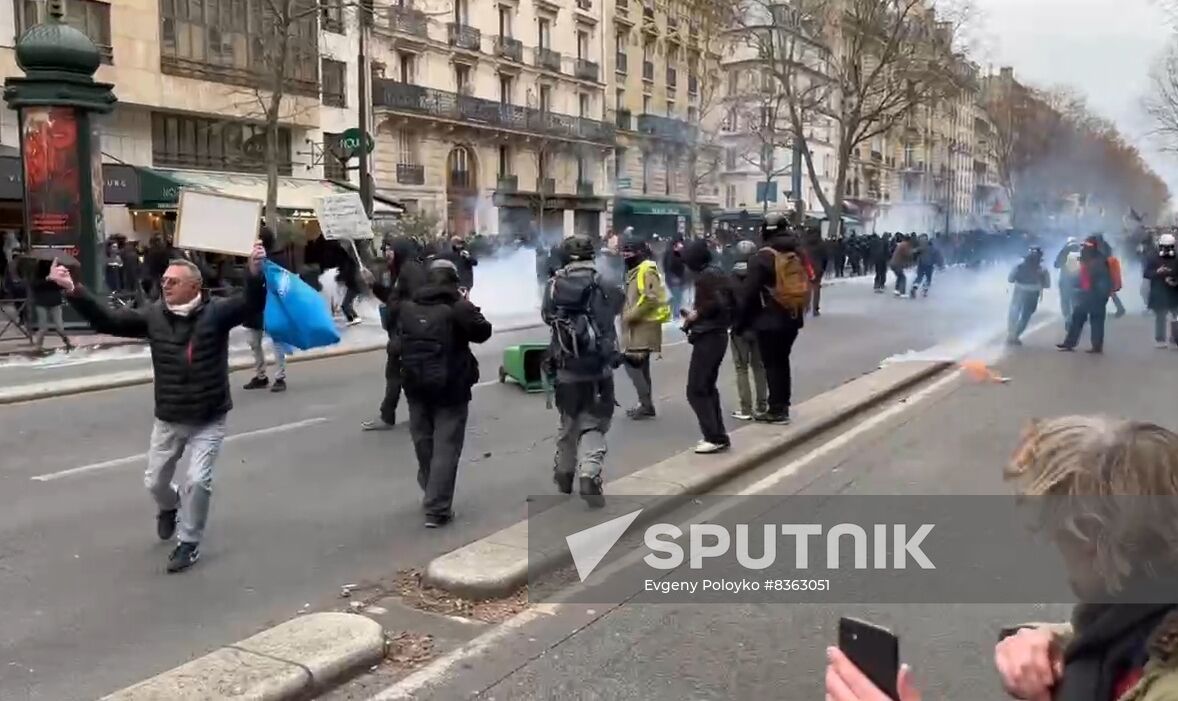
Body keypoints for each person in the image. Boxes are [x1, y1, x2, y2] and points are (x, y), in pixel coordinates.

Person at [827, 415, 1178, 701]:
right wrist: (1047, 641)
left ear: (1095, 543)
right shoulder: (1138, 616)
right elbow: (1106, 636)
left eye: (1061, 538)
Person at [48, 243, 267, 573]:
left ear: (194, 287)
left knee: (197, 481)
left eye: (173, 281)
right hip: (169, 417)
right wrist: (72, 289)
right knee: (155, 483)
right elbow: (109, 320)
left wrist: (253, 271)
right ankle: (169, 506)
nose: (165, 285)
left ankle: (189, 543)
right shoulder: (153, 316)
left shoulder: (217, 312)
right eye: (164, 280)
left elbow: (251, 304)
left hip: (209, 416)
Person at [394, 259, 492, 527]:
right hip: (451, 386)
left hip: (415, 385)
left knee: (424, 441)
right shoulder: (458, 307)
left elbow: (395, 338)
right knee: (446, 447)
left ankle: (431, 488)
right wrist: (468, 304)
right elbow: (483, 332)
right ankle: (437, 508)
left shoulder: (408, 307)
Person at [542, 235, 623, 507]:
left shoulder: (553, 285)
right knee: (595, 423)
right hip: (598, 368)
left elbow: (546, 316)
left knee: (568, 420)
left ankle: (564, 472)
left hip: (565, 366)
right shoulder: (605, 284)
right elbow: (617, 309)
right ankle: (589, 473)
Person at [735, 214, 806, 425]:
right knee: (782, 362)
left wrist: (740, 323)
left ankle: (776, 410)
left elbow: (749, 293)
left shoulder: (763, 256)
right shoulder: (797, 251)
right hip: (792, 315)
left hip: (769, 319)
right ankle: (782, 405)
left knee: (772, 364)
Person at [363, 236, 427, 432]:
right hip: (401, 332)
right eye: (385, 249)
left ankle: (387, 415)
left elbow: (417, 301)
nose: (387, 253)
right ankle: (420, 413)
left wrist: (397, 309)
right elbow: (393, 296)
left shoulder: (411, 270)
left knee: (395, 375)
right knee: (407, 376)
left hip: (405, 333)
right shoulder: (401, 270)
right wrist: (373, 285)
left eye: (390, 249)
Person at [680, 239, 734, 454]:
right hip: (717, 334)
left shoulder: (705, 277)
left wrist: (697, 314)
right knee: (708, 387)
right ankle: (718, 434)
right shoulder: (717, 272)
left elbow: (716, 303)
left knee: (697, 389)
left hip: (709, 336)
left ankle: (714, 436)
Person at [620, 235, 670, 420]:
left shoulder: (646, 270)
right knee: (641, 367)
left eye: (629, 251)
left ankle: (646, 404)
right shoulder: (635, 270)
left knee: (632, 364)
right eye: (624, 251)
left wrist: (631, 315)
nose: (626, 255)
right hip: (637, 327)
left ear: (640, 252)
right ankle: (646, 404)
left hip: (642, 327)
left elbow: (652, 297)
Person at [243, 228, 287, 393]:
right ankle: (261, 375)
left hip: (271, 305)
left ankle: (280, 377)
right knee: (254, 343)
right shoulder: (250, 257)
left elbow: (281, 281)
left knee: (276, 343)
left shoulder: (277, 258)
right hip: (253, 306)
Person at [728, 240, 767, 421]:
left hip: (739, 329)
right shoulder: (761, 276)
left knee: (741, 368)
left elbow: (727, 305)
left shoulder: (731, 278)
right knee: (759, 367)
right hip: (759, 327)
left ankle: (746, 408)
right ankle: (762, 405)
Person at [1058, 235, 1114, 354]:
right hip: (1088, 295)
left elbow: (1101, 280)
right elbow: (1080, 275)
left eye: (1087, 246)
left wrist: (1101, 296)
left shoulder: (1098, 261)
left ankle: (1094, 346)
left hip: (1094, 296)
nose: (1084, 248)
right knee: (1079, 319)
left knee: (1094, 321)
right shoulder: (1090, 259)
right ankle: (1071, 343)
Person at [1006, 246, 1051, 345]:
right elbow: (1047, 285)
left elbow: (1010, 279)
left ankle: (1010, 334)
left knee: (1014, 311)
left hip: (1019, 290)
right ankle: (1015, 335)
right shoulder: (1043, 269)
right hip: (1033, 293)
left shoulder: (1019, 265)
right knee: (1025, 316)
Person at [1144, 233, 1178, 348]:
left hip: (1173, 290)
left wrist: (1174, 279)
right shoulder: (1153, 256)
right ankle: (1160, 339)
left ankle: (1175, 338)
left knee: (1175, 315)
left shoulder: (1176, 257)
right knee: (1160, 316)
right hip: (1159, 290)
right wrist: (1158, 272)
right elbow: (1147, 273)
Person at [30, 259, 72, 352]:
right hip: (42, 302)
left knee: (59, 328)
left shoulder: (56, 274)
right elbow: (34, 286)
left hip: (54, 302)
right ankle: (38, 346)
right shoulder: (37, 275)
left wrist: (56, 280)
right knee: (43, 328)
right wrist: (46, 280)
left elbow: (63, 285)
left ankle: (67, 342)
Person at [1055, 237, 1083, 328]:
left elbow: (1056, 264)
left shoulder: (1064, 251)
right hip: (1078, 281)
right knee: (1076, 301)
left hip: (1065, 280)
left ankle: (1068, 319)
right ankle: (1076, 319)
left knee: (1065, 301)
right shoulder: (1082, 251)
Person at [910, 234, 942, 299]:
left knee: (919, 277)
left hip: (921, 264)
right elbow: (937, 256)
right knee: (928, 278)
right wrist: (939, 264)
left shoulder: (922, 247)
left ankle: (914, 287)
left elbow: (914, 251)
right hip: (929, 265)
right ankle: (924, 291)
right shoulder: (933, 248)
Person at [662, 239, 688, 319]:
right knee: (677, 296)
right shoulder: (671, 255)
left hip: (678, 278)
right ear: (675, 246)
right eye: (680, 245)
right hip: (674, 278)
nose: (682, 246)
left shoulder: (678, 254)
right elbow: (669, 266)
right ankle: (675, 315)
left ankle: (667, 308)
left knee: (677, 296)